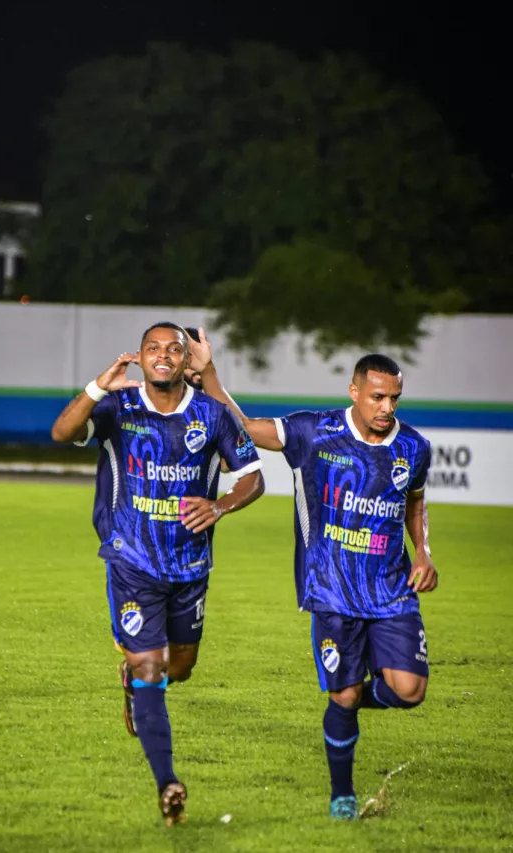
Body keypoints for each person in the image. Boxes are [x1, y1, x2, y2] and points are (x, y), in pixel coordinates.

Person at [190, 332, 437, 820]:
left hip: (391, 590)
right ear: (354, 391)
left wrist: (423, 552)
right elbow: (242, 427)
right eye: (377, 396)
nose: (387, 407)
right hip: (331, 590)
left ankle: (345, 699)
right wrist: (211, 374)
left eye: (394, 398)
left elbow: (415, 502)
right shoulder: (313, 431)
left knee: (410, 691)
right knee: (342, 694)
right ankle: (341, 792)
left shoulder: (414, 446)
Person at [51, 322, 264, 825]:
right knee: (152, 669)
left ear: (187, 360)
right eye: (153, 349)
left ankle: (136, 679)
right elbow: (62, 433)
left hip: (190, 565)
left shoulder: (211, 415)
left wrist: (220, 505)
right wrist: (96, 387)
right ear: (140, 358)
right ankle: (167, 782)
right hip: (132, 561)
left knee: (180, 668)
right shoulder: (117, 407)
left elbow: (252, 477)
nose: (163, 355)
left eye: (175, 349)